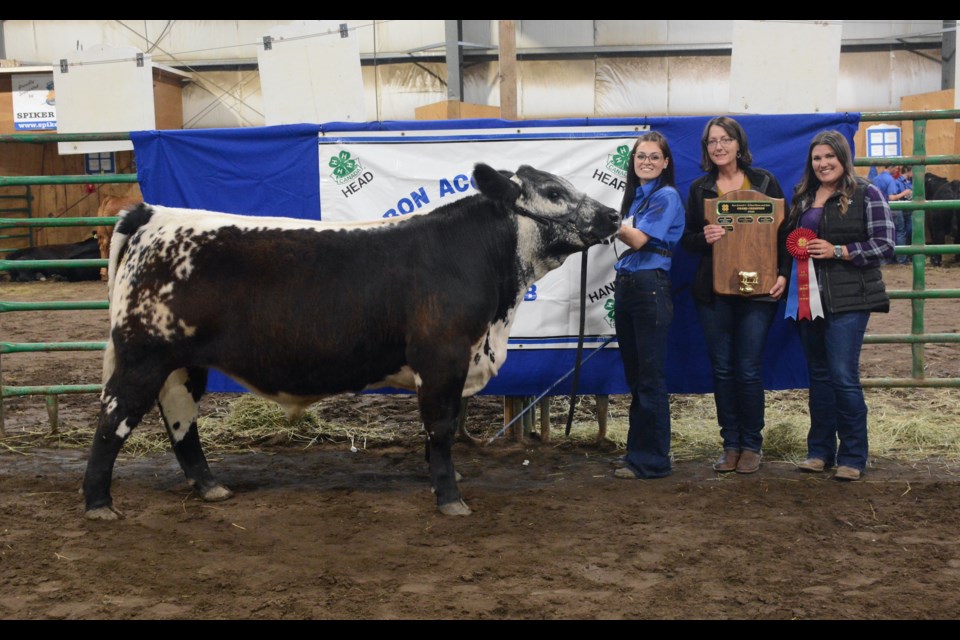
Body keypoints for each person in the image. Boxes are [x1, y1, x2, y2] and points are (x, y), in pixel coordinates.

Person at [784, 130, 895, 481]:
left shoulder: (867, 193)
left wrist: (841, 251)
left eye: (829, 157)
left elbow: (885, 245)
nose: (823, 164)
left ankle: (853, 455)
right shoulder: (802, 197)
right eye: (817, 158)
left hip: (850, 299)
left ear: (843, 159)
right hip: (809, 299)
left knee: (843, 377)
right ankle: (819, 451)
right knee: (818, 377)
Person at [682, 116, 789, 475]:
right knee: (723, 370)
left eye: (725, 139)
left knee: (747, 369)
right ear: (706, 149)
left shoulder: (764, 181)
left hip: (759, 291)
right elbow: (688, 239)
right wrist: (704, 238)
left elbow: (784, 233)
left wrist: (784, 274)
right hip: (715, 291)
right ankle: (730, 445)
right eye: (712, 141)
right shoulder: (700, 189)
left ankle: (752, 444)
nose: (719, 146)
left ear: (738, 145)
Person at [611, 131, 686, 480]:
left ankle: (653, 460)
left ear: (666, 163)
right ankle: (637, 455)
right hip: (629, 286)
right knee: (637, 376)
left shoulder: (666, 196)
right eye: (642, 156)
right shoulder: (637, 199)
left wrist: (606, 221)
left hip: (649, 287)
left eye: (655, 157)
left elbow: (638, 240)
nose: (647, 162)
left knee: (649, 378)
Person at [871, 164, 912, 264]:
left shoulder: (876, 178)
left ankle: (885, 259)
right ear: (891, 167)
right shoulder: (890, 180)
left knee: (882, 233)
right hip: (892, 209)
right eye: (896, 168)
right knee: (900, 232)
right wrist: (904, 193)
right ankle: (901, 259)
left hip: (877, 208)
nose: (897, 170)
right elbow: (891, 197)